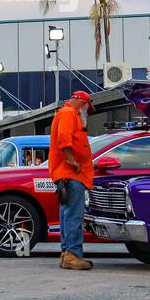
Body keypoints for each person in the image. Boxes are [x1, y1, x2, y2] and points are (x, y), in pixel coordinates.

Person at [49, 91, 96, 270]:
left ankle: (66, 253)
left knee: (67, 215)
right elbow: (64, 138)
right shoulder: (69, 113)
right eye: (87, 107)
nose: (87, 112)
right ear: (82, 103)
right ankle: (72, 255)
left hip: (66, 174)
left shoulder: (64, 113)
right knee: (73, 216)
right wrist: (72, 160)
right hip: (71, 173)